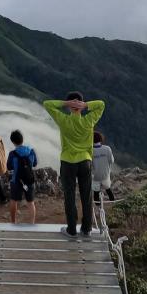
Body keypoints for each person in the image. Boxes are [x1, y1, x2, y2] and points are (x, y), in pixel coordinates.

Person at [43, 91, 106, 238]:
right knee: (86, 196)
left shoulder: (63, 120)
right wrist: (85, 105)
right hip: (85, 161)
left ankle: (71, 230)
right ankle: (87, 229)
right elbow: (101, 104)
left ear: (70, 106)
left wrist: (66, 104)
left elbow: (47, 104)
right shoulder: (88, 120)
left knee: (70, 196)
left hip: (68, 162)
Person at [6, 130, 38, 224]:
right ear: (22, 139)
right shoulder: (31, 151)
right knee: (30, 202)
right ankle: (32, 223)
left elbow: (9, 167)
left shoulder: (12, 154)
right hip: (29, 179)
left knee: (14, 200)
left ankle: (13, 222)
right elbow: (35, 164)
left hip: (17, 180)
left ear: (13, 142)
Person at [92, 131, 115, 204]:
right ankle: (112, 203)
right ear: (101, 138)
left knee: (96, 193)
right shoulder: (107, 149)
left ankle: (98, 206)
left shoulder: (90, 150)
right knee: (108, 189)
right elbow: (111, 161)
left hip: (95, 177)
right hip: (106, 175)